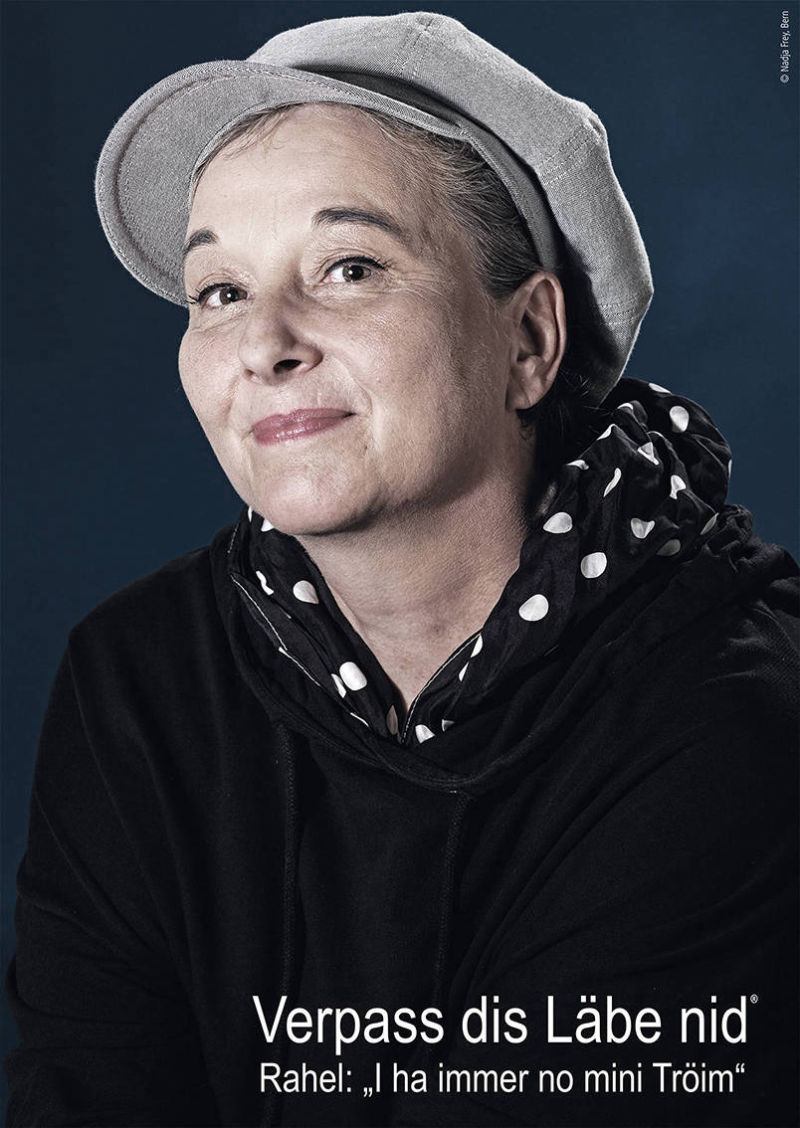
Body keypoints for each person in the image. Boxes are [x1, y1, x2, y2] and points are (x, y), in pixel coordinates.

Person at [5, 10, 797, 1127]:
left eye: (350, 267)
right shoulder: (137, 682)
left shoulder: (728, 710)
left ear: (528, 342)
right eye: (220, 290)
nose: (263, 343)